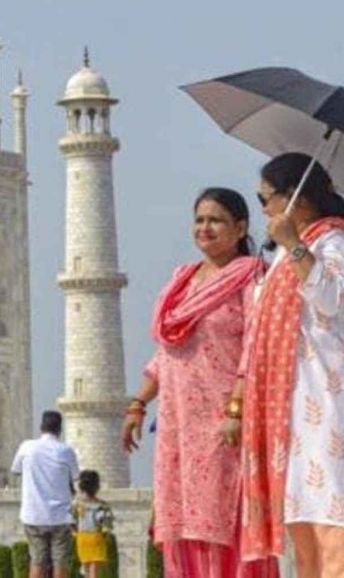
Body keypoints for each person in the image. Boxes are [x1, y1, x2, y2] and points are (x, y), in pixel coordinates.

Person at [122, 187, 274, 578]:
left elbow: (256, 348)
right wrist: (139, 403)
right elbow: (167, 351)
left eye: (216, 220)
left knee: (225, 519)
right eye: (200, 220)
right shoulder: (182, 281)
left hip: (224, 422)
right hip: (178, 425)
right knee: (183, 525)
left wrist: (237, 411)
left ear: (240, 227)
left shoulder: (251, 278)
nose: (205, 228)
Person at [239, 153, 344, 578]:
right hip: (290, 406)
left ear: (297, 199)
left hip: (328, 397)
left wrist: (295, 245)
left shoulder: (332, 242)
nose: (263, 209)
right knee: (303, 519)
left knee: (332, 516)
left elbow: (332, 298)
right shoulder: (285, 256)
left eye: (266, 198)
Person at [10, 411, 80, 578]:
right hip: (60, 516)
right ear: (59, 429)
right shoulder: (66, 451)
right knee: (60, 562)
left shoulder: (27, 446)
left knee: (37, 561)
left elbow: (16, 470)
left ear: (41, 427)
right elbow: (75, 477)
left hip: (33, 514)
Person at [72, 471, 115, 578]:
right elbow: (107, 524)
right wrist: (105, 535)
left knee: (86, 568)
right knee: (94, 570)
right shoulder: (102, 505)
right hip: (96, 537)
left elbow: (71, 521)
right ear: (97, 487)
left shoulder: (77, 504)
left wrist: (75, 533)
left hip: (82, 537)